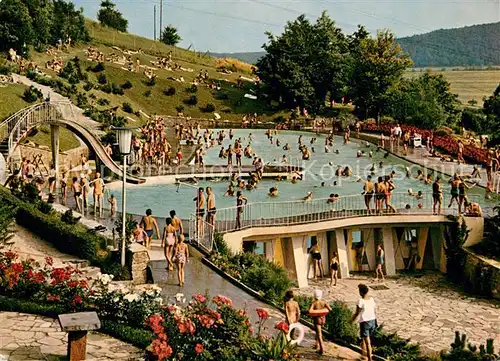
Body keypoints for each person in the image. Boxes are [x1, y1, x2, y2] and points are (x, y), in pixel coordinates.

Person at [351, 284, 377, 361]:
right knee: (365, 339)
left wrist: (351, 320)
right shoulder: (371, 299)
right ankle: (363, 353)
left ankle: (369, 359)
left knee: (367, 342)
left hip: (365, 322)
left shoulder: (360, 301)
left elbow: (357, 313)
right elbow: (374, 310)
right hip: (372, 320)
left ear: (361, 292)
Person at [308, 290, 331, 355]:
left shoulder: (314, 303)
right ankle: (317, 345)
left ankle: (322, 350)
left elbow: (310, 311)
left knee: (319, 334)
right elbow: (330, 309)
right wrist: (323, 311)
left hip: (317, 320)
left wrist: (317, 311)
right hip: (323, 319)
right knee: (318, 333)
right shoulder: (324, 302)